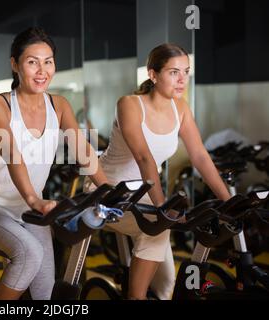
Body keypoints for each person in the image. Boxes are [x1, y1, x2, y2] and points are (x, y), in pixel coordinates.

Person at [0, 27, 109, 300]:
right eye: (32, 62)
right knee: (29, 254)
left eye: (48, 61)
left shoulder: (59, 105)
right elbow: (11, 152)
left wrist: (111, 190)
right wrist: (34, 199)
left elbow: (83, 150)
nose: (42, 70)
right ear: (15, 64)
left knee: (45, 292)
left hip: (31, 213)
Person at [84, 43, 231, 300]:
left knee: (166, 284)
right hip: (107, 189)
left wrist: (228, 201)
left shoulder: (181, 109)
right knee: (158, 227)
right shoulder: (129, 104)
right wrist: (162, 206)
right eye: (174, 72)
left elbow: (199, 156)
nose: (182, 79)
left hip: (142, 193)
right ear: (153, 74)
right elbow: (143, 157)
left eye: (186, 71)